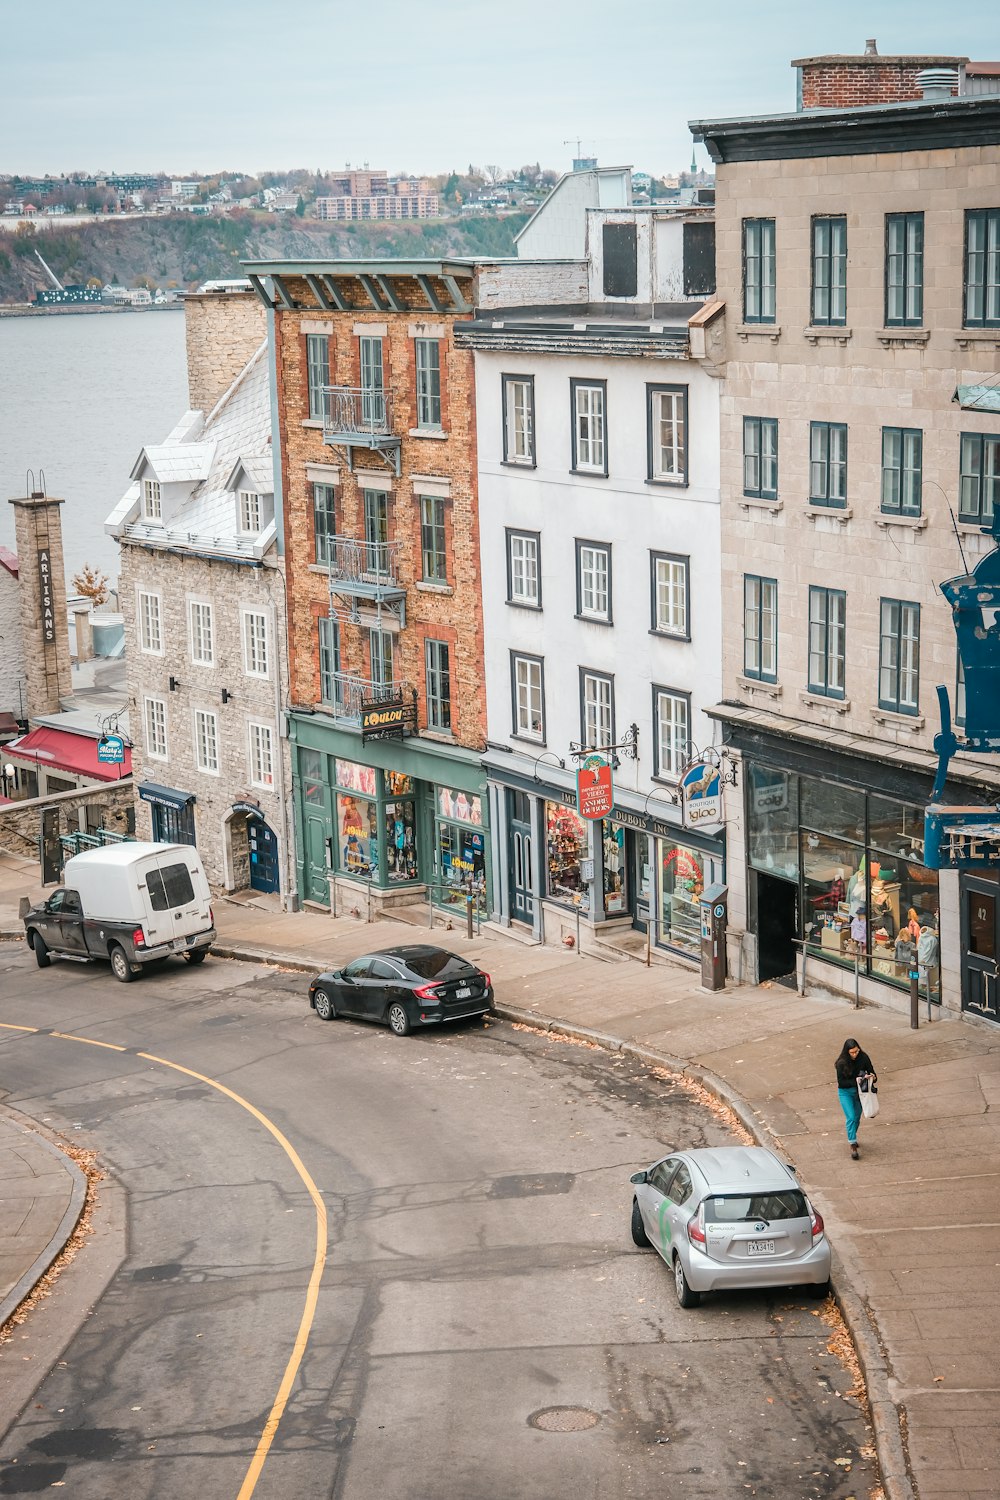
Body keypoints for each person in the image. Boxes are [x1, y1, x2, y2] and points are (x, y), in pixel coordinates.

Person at [835, 1038, 877, 1160]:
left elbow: (873, 1073)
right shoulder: (841, 1063)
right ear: (847, 1052)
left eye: (856, 1051)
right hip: (845, 1093)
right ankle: (852, 1143)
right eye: (852, 1052)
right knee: (851, 1117)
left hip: (860, 1093)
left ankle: (852, 1135)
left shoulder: (864, 1057)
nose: (855, 1054)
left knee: (857, 1118)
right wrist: (856, 1080)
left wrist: (872, 1077)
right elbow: (841, 1082)